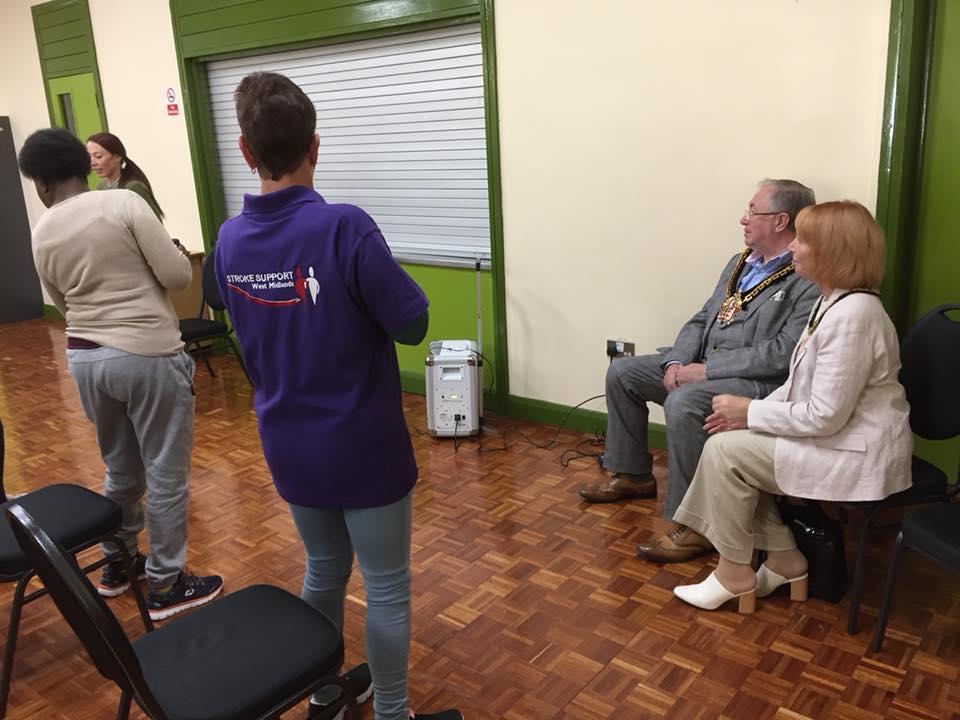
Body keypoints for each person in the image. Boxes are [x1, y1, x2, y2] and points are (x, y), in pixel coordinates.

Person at [213, 72, 460, 720]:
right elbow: (413, 325)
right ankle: (392, 712)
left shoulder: (228, 240)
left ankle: (321, 692)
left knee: (324, 569)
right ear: (314, 146)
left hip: (288, 443)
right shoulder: (345, 227)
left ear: (245, 150)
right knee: (387, 586)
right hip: (363, 446)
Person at [17, 128, 222, 621]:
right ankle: (166, 584)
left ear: (40, 183)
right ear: (83, 168)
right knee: (165, 472)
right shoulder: (124, 204)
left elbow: (63, 304)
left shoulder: (41, 231)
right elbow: (178, 276)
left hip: (86, 359)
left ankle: (118, 564)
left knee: (121, 468)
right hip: (147, 354)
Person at [671, 201, 912, 613]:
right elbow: (797, 385)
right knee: (734, 445)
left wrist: (749, 411)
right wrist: (748, 417)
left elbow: (824, 415)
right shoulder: (833, 301)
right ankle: (784, 559)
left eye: (803, 240)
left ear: (832, 252)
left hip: (856, 453)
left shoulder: (854, 316)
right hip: (840, 438)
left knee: (725, 454)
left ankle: (734, 572)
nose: (793, 247)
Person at [579, 179, 820, 563]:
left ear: (780, 221)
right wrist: (677, 361)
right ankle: (632, 474)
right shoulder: (740, 262)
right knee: (623, 373)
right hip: (703, 366)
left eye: (752, 211)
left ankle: (697, 524)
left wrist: (705, 372)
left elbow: (782, 354)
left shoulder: (807, 276)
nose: (743, 219)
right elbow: (702, 317)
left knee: (684, 403)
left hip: (755, 385)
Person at [87, 131, 165, 220]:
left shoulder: (133, 187)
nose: (92, 163)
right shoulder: (101, 186)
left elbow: (153, 222)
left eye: (98, 156)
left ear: (117, 157)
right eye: (89, 157)